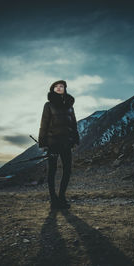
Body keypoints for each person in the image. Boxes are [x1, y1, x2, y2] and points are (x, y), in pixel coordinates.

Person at [38, 80, 80, 209]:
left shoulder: (70, 105)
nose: (59, 88)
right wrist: (43, 142)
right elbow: (44, 123)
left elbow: (73, 123)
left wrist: (75, 138)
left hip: (67, 143)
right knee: (52, 171)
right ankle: (53, 200)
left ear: (65, 88)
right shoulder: (48, 105)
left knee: (67, 170)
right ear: (53, 90)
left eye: (61, 86)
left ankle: (61, 197)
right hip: (53, 143)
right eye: (56, 86)